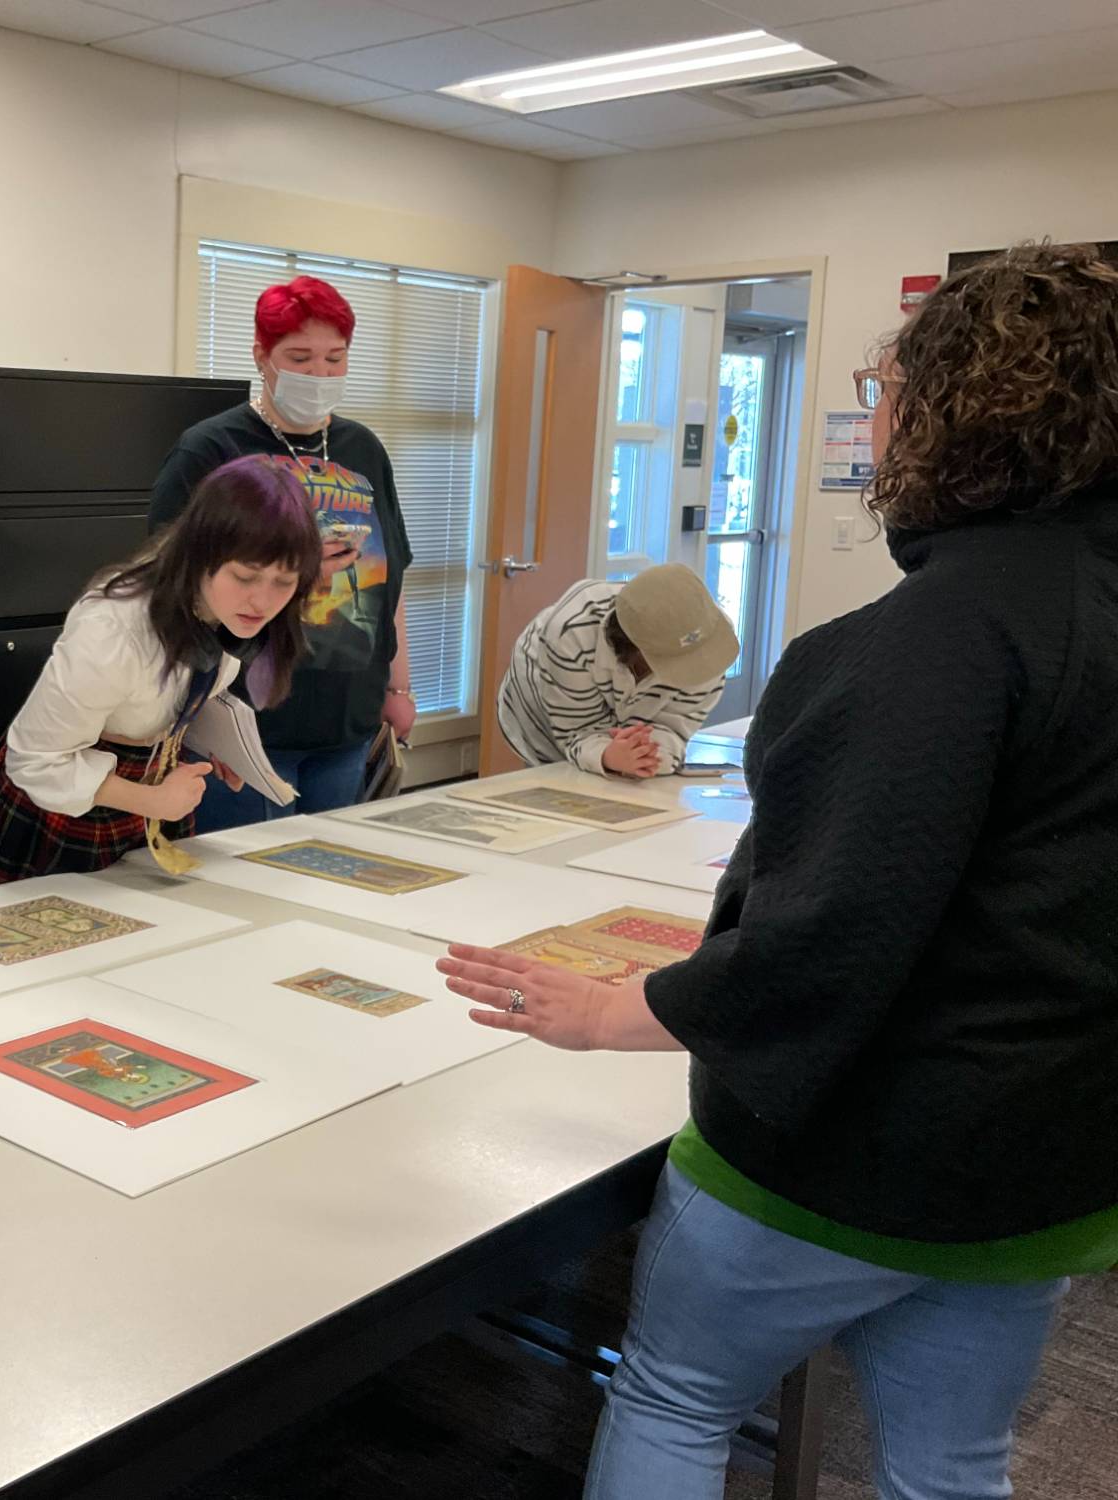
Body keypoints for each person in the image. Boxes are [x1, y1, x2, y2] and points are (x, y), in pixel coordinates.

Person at [438, 243, 1118, 1499]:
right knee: (953, 1464)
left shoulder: (917, 644)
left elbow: (823, 941)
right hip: (1048, 1157)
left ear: (948, 408)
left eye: (885, 389)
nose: (873, 418)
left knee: (673, 1398)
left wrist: (618, 1012)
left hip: (848, 1158)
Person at [0, 455, 321, 888]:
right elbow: (33, 761)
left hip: (150, 793)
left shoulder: (223, 606)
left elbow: (178, 691)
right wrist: (151, 798)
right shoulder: (113, 630)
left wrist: (218, 745)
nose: (262, 602)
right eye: (245, 577)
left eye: (284, 583)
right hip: (61, 807)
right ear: (201, 554)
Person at [149, 275, 414, 829]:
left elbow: (391, 580)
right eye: (300, 357)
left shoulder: (363, 449)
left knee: (332, 882)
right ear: (262, 357)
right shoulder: (212, 449)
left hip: (347, 721)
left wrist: (398, 686)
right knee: (246, 885)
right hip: (245, 725)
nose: (320, 374)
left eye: (335, 358)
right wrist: (292, 572)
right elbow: (170, 584)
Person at [496, 565, 737, 778]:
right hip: (544, 701)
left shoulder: (707, 639)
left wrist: (648, 755)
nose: (693, 668)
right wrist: (606, 755)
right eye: (676, 661)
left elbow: (673, 730)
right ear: (635, 646)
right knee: (556, 788)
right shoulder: (571, 633)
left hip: (619, 722)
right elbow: (576, 733)